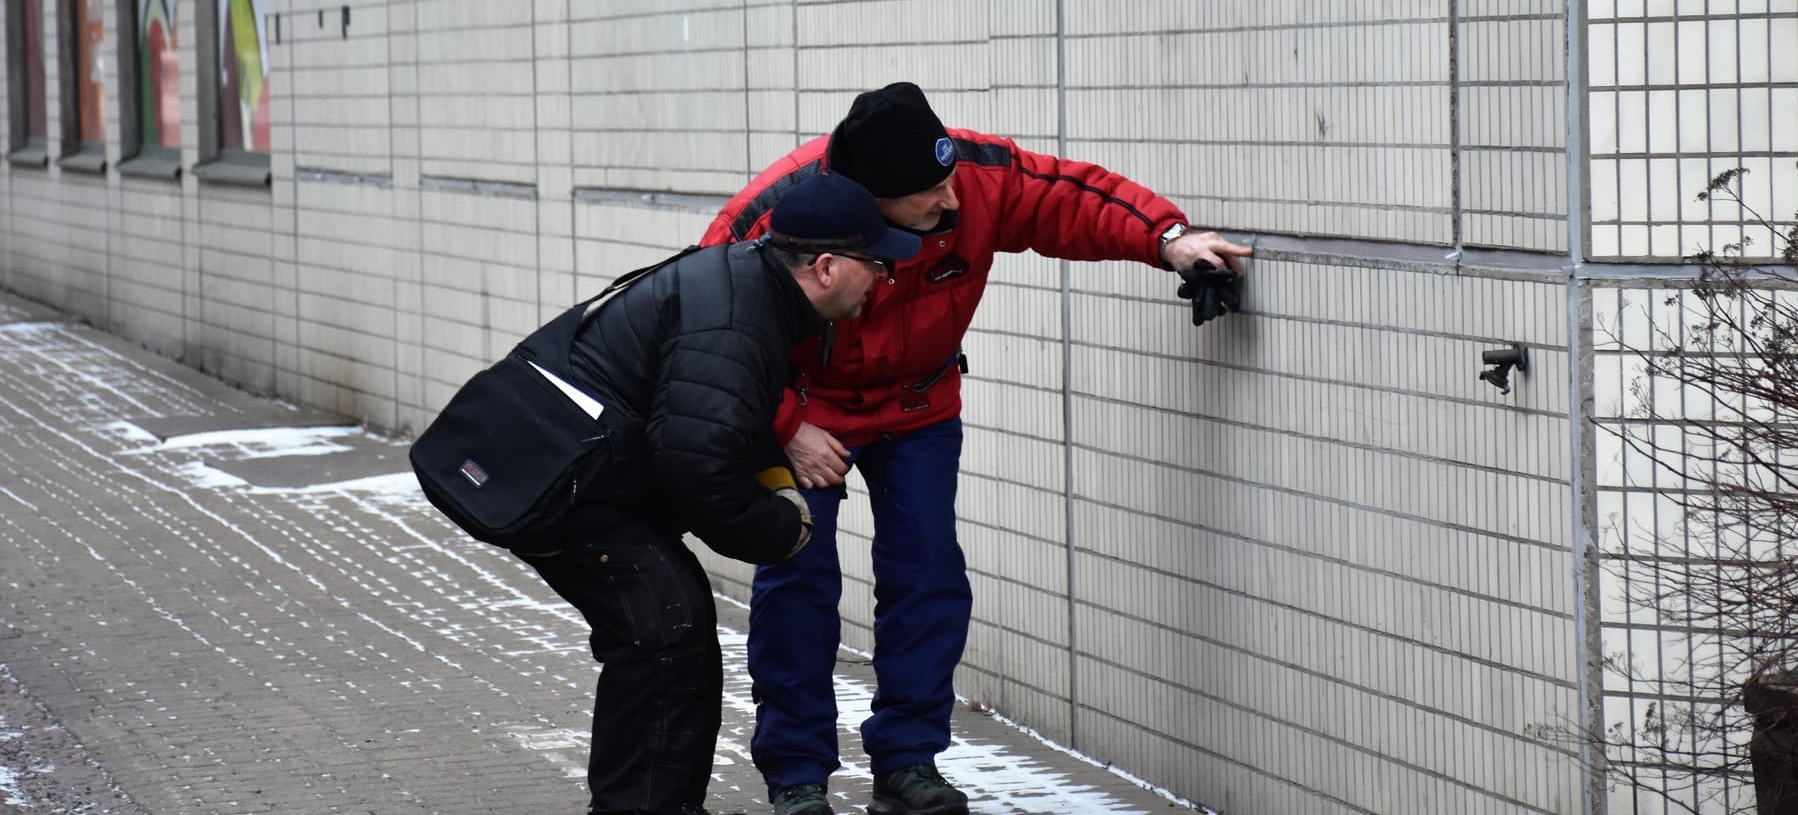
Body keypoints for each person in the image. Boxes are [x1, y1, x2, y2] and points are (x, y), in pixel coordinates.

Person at [701, 83, 1253, 815]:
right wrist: (784, 426)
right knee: (798, 582)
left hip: (919, 405)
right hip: (805, 412)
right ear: (867, 203)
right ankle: (797, 776)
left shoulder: (968, 175)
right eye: (929, 196)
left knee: (927, 577)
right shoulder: (777, 215)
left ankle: (908, 763)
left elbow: (1067, 198)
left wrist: (1167, 239)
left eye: (949, 182)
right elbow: (709, 335)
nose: (953, 204)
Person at [515, 171, 922, 815]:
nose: (883, 280)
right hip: (549, 481)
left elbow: (701, 431)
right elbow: (692, 464)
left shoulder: (755, 291)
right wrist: (781, 530)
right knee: (664, 633)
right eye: (874, 265)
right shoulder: (742, 316)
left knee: (670, 630)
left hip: (573, 476)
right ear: (824, 267)